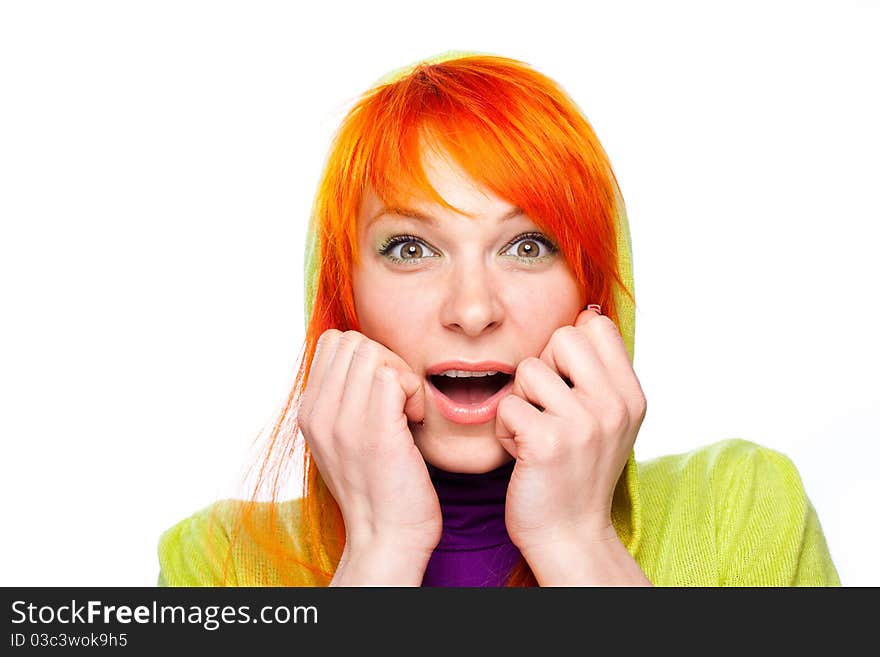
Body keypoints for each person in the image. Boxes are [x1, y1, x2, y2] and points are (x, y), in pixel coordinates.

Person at [157, 50, 840, 586]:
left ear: (593, 292)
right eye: (411, 248)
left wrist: (577, 543)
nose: (474, 310)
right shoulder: (216, 562)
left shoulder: (745, 504)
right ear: (344, 299)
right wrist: (380, 550)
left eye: (527, 245)